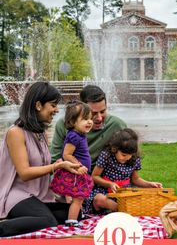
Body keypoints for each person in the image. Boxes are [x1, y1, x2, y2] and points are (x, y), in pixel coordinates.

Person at [0, 82, 81, 237]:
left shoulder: (40, 133)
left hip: (38, 195)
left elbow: (42, 165)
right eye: (53, 105)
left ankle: (23, 218)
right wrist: (55, 167)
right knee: (47, 220)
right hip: (16, 194)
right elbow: (24, 172)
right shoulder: (16, 133)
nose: (57, 110)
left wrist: (59, 165)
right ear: (38, 105)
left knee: (75, 214)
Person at [85, 128, 163, 214]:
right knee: (99, 199)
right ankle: (123, 210)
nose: (127, 158)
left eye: (130, 155)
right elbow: (95, 176)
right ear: (115, 149)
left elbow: (135, 179)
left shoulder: (134, 158)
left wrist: (149, 184)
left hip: (125, 193)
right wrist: (110, 184)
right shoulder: (106, 156)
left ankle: (121, 210)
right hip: (105, 191)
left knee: (142, 199)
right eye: (123, 155)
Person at [50, 85, 127, 170]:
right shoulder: (65, 124)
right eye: (93, 114)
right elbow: (54, 159)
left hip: (102, 178)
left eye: (102, 111)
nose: (99, 118)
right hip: (74, 174)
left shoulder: (117, 125)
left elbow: (130, 155)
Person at [50, 101, 94, 227]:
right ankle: (72, 221)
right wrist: (78, 166)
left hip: (79, 172)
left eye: (90, 118)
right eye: (85, 119)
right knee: (78, 198)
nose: (90, 122)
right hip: (76, 172)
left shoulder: (80, 134)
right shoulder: (74, 136)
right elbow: (67, 154)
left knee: (79, 198)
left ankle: (77, 216)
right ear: (73, 122)